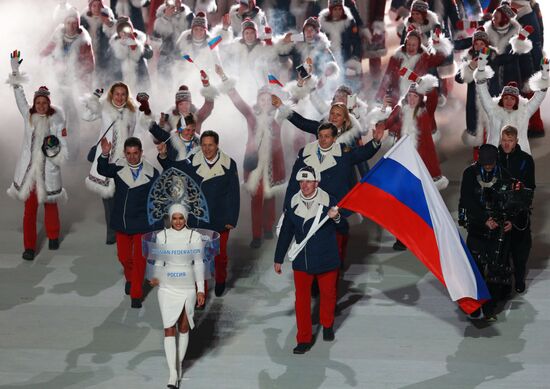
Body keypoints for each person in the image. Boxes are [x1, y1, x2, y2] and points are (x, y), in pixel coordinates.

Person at [283, 122, 384, 263]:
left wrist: (375, 141)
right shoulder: (305, 153)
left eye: (327, 136)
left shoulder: (344, 153)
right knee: (311, 247)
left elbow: (362, 154)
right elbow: (294, 184)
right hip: (311, 208)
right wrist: (287, 209)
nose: (323, 140)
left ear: (335, 138)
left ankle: (332, 272)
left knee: (334, 249)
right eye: (320, 136)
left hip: (335, 208)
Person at [157, 130, 240, 297]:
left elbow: (234, 193)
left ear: (217, 145)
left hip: (220, 217)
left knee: (219, 256)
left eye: (210, 145)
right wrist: (164, 156)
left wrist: (231, 218)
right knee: (198, 257)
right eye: (204, 145)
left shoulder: (229, 164)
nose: (207, 149)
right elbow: (174, 168)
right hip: (198, 217)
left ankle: (221, 280)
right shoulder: (192, 160)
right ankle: (199, 291)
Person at [274, 166, 344, 354]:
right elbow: (287, 231)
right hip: (302, 259)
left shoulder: (329, 201)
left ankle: (327, 324)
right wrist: (278, 257)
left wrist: (336, 217)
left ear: (316, 183)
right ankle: (303, 338)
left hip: (326, 257)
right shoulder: (292, 202)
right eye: (301, 181)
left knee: (328, 294)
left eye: (308, 181)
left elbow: (344, 228)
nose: (304, 185)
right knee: (302, 301)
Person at [7, 51, 68, 261]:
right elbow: (19, 94)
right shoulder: (28, 116)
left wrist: (54, 147)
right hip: (31, 172)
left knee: (51, 206)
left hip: (48, 170)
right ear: (34, 104)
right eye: (38, 102)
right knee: (29, 211)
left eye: (44, 103)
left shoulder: (56, 121)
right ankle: (29, 247)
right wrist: (15, 70)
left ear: (49, 104)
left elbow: (62, 144)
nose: (41, 106)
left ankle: (53, 235)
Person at [216, 66, 286, 249]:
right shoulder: (251, 116)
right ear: (258, 101)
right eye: (261, 99)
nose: (264, 102)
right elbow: (238, 101)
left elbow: (294, 101)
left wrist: (302, 83)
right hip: (254, 164)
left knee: (270, 196)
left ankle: (268, 226)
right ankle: (256, 234)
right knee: (257, 197)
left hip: (272, 163)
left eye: (268, 99)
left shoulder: (278, 117)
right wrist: (224, 77)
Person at [97, 136, 162, 308]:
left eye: (135, 153)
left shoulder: (152, 173)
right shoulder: (118, 168)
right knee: (124, 257)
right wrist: (104, 154)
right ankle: (131, 278)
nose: (132, 157)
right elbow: (102, 169)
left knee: (140, 259)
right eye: (129, 153)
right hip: (122, 222)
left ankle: (136, 294)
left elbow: (157, 201)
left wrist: (159, 225)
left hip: (142, 223)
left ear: (141, 152)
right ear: (124, 154)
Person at [148, 203, 206, 389]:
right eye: (175, 218)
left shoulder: (194, 236)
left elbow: (198, 263)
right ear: (170, 218)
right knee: (168, 327)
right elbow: (158, 260)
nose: (178, 221)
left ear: (186, 218)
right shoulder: (161, 236)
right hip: (167, 286)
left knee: (183, 326)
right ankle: (173, 373)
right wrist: (156, 277)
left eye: (181, 218)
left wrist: (200, 289)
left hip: (187, 284)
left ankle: (178, 364)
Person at [82, 82, 145, 244]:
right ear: (111, 95)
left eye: (123, 94)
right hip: (105, 157)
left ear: (127, 95)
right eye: (117, 94)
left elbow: (138, 132)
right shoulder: (104, 107)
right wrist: (93, 98)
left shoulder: (133, 111)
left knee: (124, 196)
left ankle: (125, 229)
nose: (120, 97)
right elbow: (86, 116)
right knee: (108, 198)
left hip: (125, 159)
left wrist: (137, 153)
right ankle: (111, 232)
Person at [459, 144, 514, 321]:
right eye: (485, 163)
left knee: (496, 268)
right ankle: (474, 304)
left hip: (497, 229)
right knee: (474, 267)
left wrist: (509, 221)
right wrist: (484, 219)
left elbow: (511, 201)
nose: (488, 166)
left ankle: (490, 307)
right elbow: (467, 199)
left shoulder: (504, 174)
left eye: (491, 163)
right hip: (477, 226)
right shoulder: (469, 174)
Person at [473, 58, 548, 155]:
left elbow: (539, 97)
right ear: (502, 99)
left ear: (516, 101)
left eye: (512, 99)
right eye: (506, 98)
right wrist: (481, 70)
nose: (508, 101)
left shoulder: (525, 111)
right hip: (495, 157)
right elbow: (482, 91)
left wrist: (545, 78)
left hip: (520, 157)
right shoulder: (492, 110)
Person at [498, 125, 535, 293]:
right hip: (499, 210)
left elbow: (530, 188)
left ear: (516, 141)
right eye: (504, 140)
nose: (506, 144)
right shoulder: (494, 158)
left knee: (520, 249)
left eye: (510, 141)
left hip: (519, 213)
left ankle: (519, 278)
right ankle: (503, 281)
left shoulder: (526, 160)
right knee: (500, 249)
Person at [109, 17, 152, 92]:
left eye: (127, 27)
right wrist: (120, 45)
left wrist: (136, 43)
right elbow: (110, 61)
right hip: (121, 77)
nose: (125, 30)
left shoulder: (140, 37)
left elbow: (149, 54)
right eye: (121, 28)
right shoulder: (114, 41)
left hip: (140, 76)